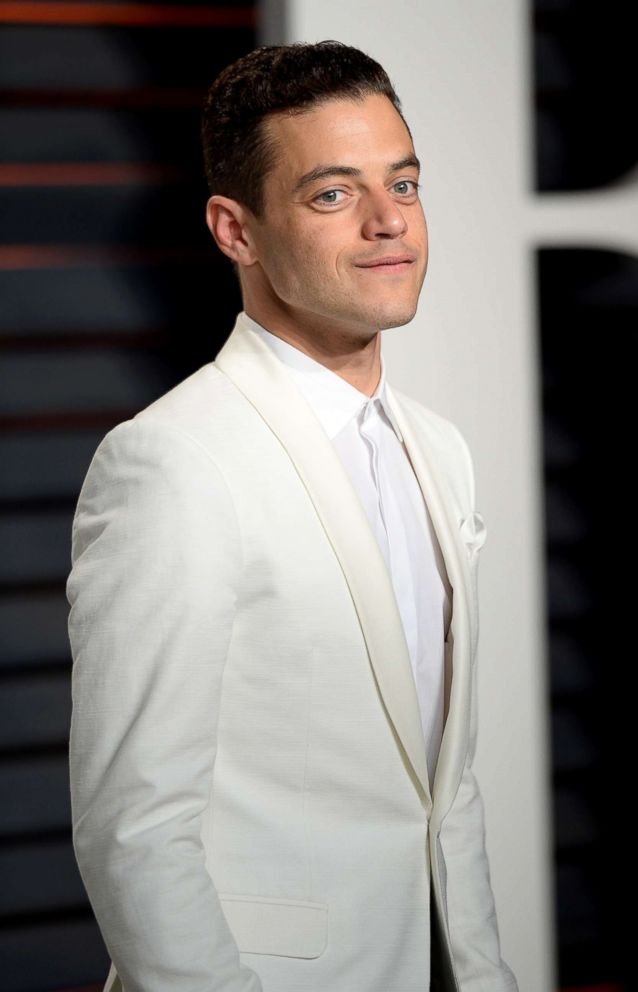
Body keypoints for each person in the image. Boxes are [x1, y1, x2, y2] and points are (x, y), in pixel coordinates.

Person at [67, 40, 518, 992]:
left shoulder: (440, 450)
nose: (390, 222)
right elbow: (135, 827)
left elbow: (444, 792)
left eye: (404, 182)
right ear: (236, 231)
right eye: (332, 194)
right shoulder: (173, 462)